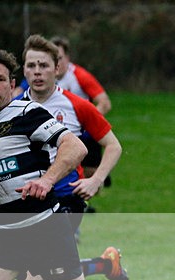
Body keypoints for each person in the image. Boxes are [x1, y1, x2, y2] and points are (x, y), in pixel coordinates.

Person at [0, 47, 160, 280]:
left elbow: (75, 146)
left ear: (9, 83)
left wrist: (48, 181)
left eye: (0, 79)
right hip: (7, 234)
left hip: (45, 228)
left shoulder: (26, 114)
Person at [51, 35, 112, 187]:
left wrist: (87, 125)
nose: (57, 62)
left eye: (60, 57)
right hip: (54, 131)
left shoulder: (80, 76)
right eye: (52, 58)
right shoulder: (41, 77)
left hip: (82, 131)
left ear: (68, 57)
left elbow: (104, 103)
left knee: (90, 173)